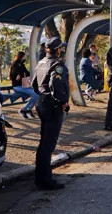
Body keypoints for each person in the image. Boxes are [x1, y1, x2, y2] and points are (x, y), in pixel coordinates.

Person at [32, 37, 70, 190]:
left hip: (42, 103)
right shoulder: (57, 64)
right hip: (52, 106)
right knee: (48, 144)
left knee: (43, 143)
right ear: (58, 49)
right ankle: (45, 180)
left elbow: (35, 84)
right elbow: (55, 83)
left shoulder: (41, 62)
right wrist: (63, 101)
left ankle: (40, 176)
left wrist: (44, 93)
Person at [10, 52, 40, 119]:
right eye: (23, 57)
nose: (24, 58)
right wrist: (21, 73)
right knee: (35, 95)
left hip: (24, 86)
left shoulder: (21, 64)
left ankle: (28, 109)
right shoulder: (15, 64)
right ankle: (23, 110)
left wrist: (22, 73)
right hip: (17, 87)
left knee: (37, 95)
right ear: (20, 57)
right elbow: (17, 74)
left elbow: (27, 73)